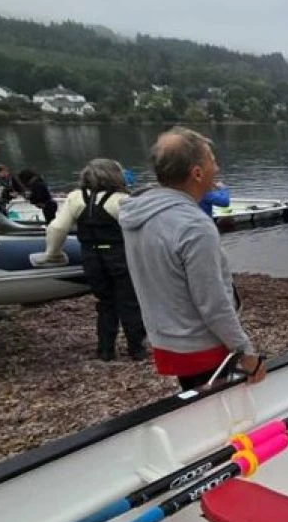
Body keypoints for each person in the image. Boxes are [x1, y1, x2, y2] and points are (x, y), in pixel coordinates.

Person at [119, 127, 266, 390]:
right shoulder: (194, 226)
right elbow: (213, 303)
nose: (217, 168)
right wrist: (245, 352)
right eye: (212, 161)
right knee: (215, 407)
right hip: (201, 346)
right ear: (197, 173)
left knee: (194, 399)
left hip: (167, 339)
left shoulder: (138, 213)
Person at [36, 158, 147, 361]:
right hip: (119, 256)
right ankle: (136, 349)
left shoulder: (75, 197)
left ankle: (105, 350)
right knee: (129, 302)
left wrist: (52, 253)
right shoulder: (121, 199)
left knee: (105, 302)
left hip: (91, 256)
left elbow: (57, 228)